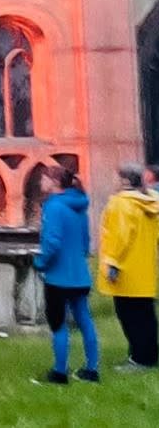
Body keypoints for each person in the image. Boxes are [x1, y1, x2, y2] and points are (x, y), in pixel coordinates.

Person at [33, 166, 99, 384]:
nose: (41, 182)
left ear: (54, 181)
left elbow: (52, 241)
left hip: (58, 278)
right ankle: (91, 370)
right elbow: (86, 243)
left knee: (58, 324)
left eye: (44, 178)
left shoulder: (53, 206)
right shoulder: (80, 206)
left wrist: (40, 262)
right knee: (85, 321)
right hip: (80, 275)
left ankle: (59, 373)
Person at [98, 163, 159, 370]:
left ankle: (139, 359)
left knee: (129, 316)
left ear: (124, 180)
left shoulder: (121, 203)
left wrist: (112, 263)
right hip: (145, 269)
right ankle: (148, 356)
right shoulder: (151, 202)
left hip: (125, 270)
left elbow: (119, 236)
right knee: (145, 315)